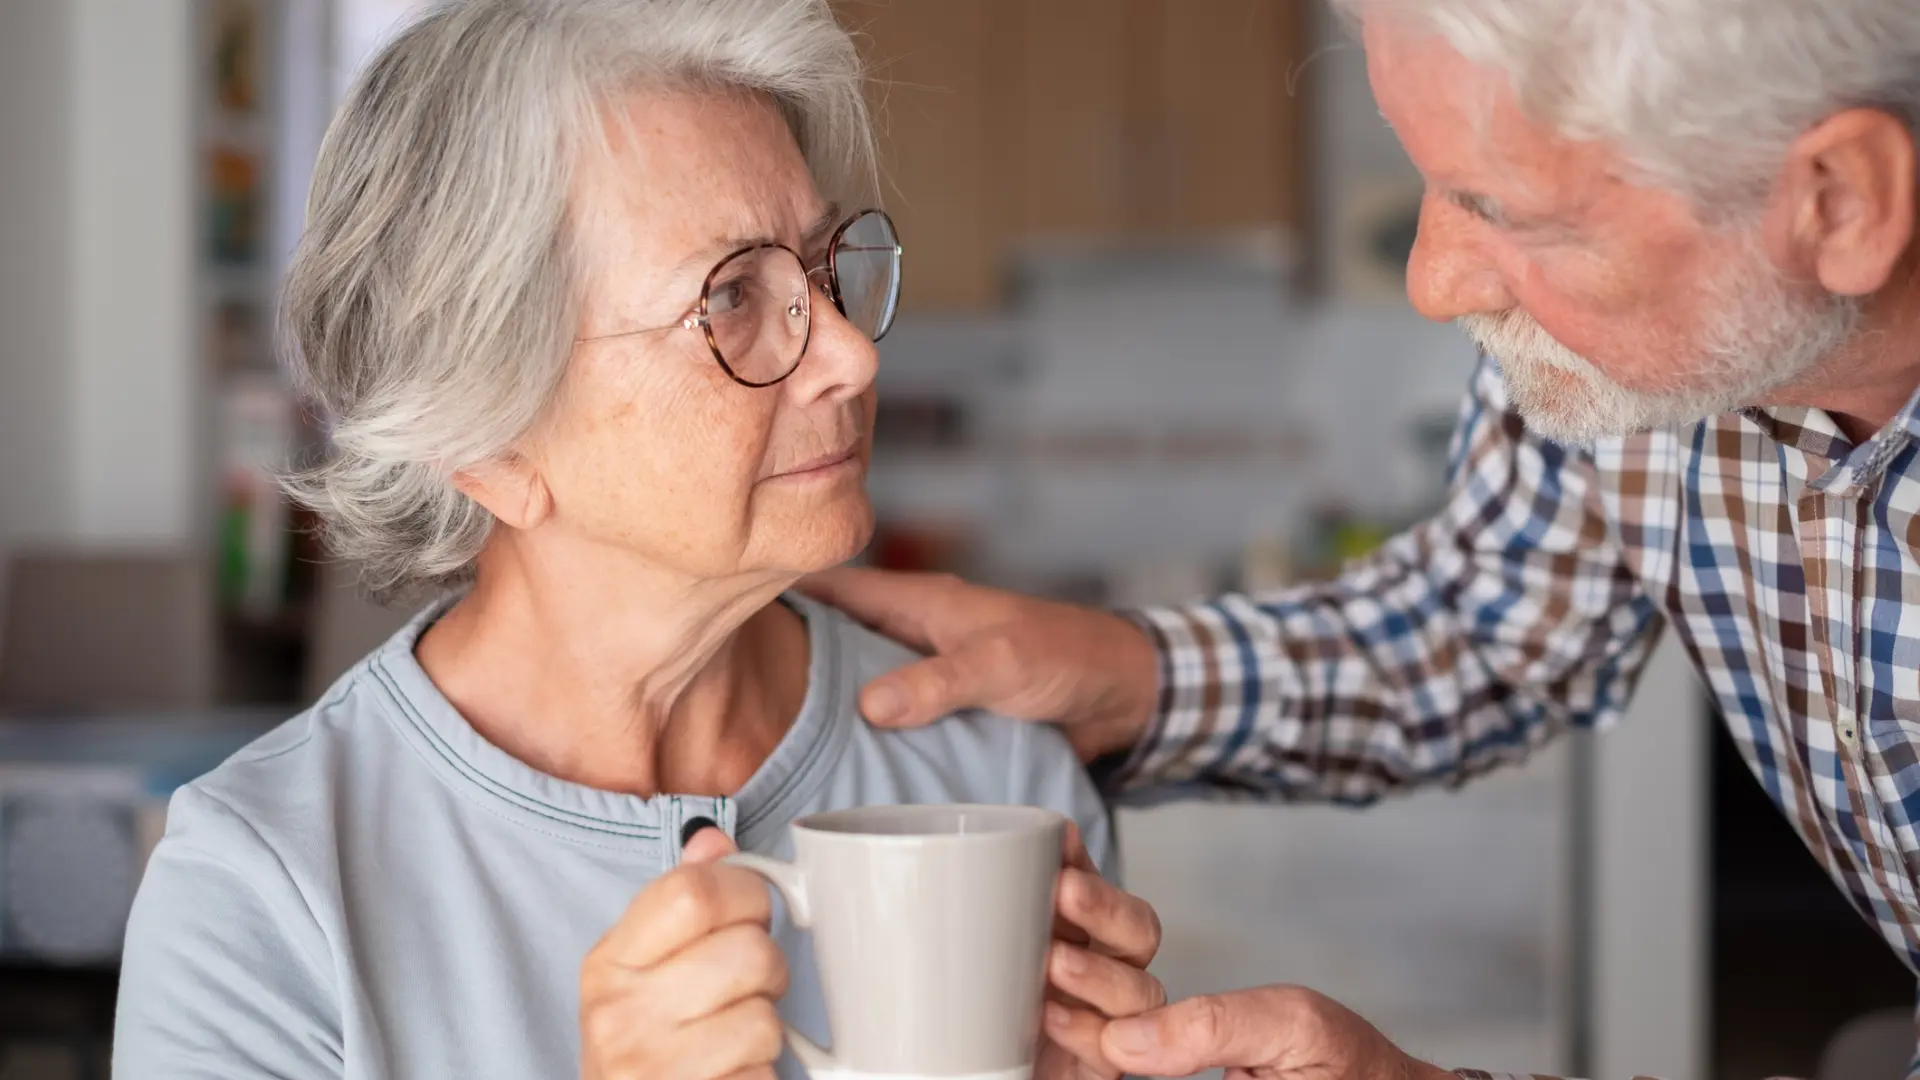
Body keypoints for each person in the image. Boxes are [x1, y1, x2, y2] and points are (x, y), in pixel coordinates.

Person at [808, 0, 1920, 1077]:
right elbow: (1493, 618)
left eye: (1505, 209)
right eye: (1429, 178)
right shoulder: (1635, 359)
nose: (1433, 282)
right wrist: (1131, 677)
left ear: (1841, 202)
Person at [111, 3, 1165, 1078]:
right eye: (732, 299)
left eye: (820, 269)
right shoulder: (261, 891)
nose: (850, 354)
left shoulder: (997, 773)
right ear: (488, 443)